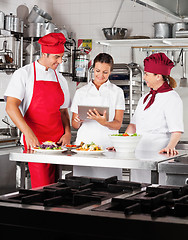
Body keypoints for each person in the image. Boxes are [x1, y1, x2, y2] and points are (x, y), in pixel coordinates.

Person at [5, 33, 71, 188]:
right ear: (44, 54)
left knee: (58, 191)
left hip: (59, 146)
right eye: (56, 57)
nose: (60, 61)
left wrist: (67, 132)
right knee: (43, 192)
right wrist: (27, 133)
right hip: (36, 145)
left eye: (62, 56)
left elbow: (63, 112)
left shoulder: (60, 79)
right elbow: (10, 106)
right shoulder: (24, 74)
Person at [125, 52, 184, 183]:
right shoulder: (144, 98)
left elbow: (176, 131)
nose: (144, 77)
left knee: (157, 195)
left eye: (146, 74)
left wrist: (170, 147)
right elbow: (133, 126)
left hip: (159, 156)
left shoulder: (172, 98)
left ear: (158, 76)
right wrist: (122, 143)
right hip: (138, 157)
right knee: (136, 193)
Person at [71, 53, 125, 179]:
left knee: (110, 185)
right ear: (92, 69)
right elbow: (74, 124)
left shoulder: (117, 92)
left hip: (108, 147)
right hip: (84, 147)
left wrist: (104, 122)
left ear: (111, 71)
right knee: (82, 186)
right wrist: (78, 120)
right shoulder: (81, 92)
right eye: (97, 71)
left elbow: (118, 123)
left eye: (105, 72)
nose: (100, 75)